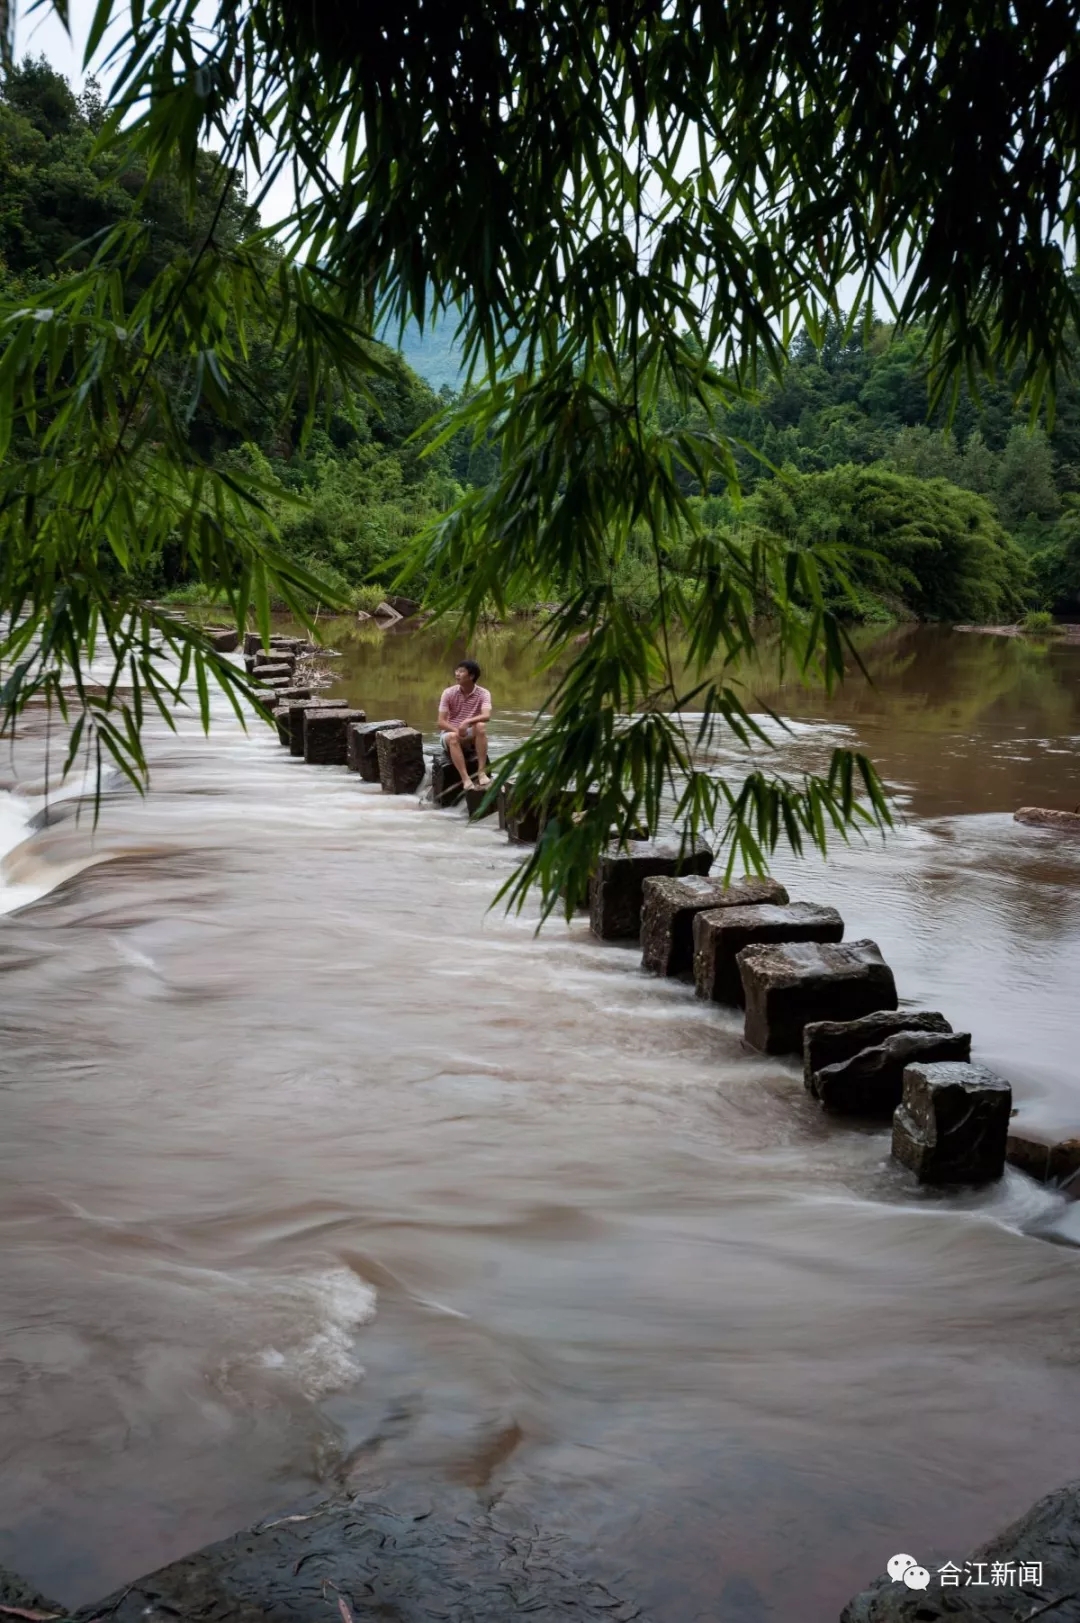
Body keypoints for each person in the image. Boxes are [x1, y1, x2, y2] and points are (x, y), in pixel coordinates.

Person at [438, 659, 493, 791]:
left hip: (469, 733)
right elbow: (441, 722)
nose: (457, 674)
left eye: (461, 671)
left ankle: (481, 772)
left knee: (480, 726)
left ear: (471, 676)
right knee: (452, 737)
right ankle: (465, 779)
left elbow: (487, 716)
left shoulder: (483, 693)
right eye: (457, 670)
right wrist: (456, 730)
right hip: (450, 734)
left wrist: (467, 722)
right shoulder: (449, 693)